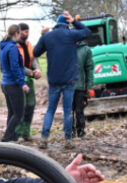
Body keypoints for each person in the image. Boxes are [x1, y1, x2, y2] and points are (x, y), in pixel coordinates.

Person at [33, 12, 91, 147]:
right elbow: (87, 32)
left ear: (56, 23)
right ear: (67, 24)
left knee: (50, 110)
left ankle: (43, 139)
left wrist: (42, 35)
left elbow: (35, 52)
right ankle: (68, 140)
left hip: (54, 80)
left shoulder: (47, 36)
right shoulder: (71, 35)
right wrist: (75, 22)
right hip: (69, 80)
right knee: (67, 110)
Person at [0, 24, 29, 142]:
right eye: (20, 33)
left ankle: (12, 137)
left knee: (12, 113)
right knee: (18, 114)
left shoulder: (3, 47)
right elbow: (15, 67)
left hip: (5, 83)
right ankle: (6, 138)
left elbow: (2, 67)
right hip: (13, 85)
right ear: (16, 34)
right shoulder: (12, 48)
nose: (20, 36)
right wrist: (22, 83)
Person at [15, 23, 42, 141]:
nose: (27, 34)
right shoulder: (13, 47)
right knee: (20, 107)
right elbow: (18, 66)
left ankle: (27, 133)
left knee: (30, 107)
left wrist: (37, 69)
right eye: (24, 31)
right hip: (19, 80)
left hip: (29, 80)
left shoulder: (29, 45)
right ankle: (18, 134)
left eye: (28, 31)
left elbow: (34, 59)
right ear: (19, 32)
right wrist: (32, 73)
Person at [72, 34, 94, 138]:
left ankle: (80, 131)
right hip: (68, 86)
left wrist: (90, 86)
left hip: (80, 86)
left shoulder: (86, 50)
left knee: (79, 110)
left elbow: (89, 69)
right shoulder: (66, 48)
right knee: (68, 111)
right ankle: (69, 132)